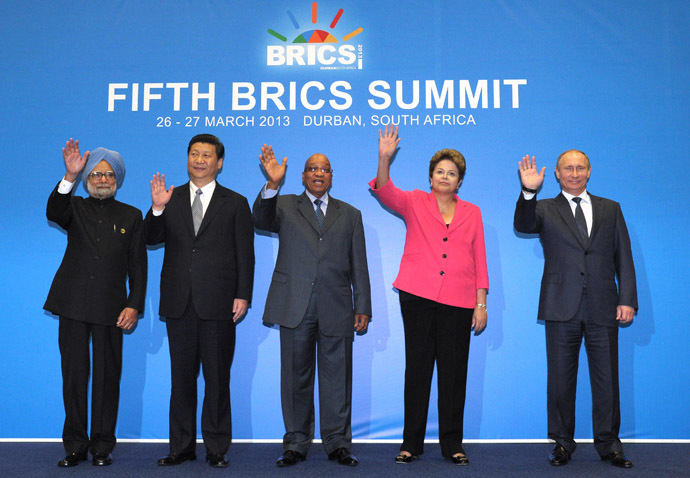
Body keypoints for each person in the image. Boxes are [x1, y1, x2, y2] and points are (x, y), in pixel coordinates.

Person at [369, 126, 488, 466]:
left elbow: (480, 258)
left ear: (459, 181)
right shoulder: (414, 201)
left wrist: (481, 303)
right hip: (418, 297)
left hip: (459, 300)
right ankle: (411, 444)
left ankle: (453, 444)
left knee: (454, 374)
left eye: (452, 173)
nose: (445, 176)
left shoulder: (472, 212)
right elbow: (384, 190)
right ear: (431, 176)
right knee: (418, 370)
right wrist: (384, 158)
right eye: (440, 171)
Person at [514, 152, 637, 468]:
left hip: (604, 305)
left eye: (580, 167)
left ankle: (609, 444)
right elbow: (524, 224)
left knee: (607, 379)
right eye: (567, 168)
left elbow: (624, 256)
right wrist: (529, 192)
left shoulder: (611, 209)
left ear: (590, 172)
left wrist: (627, 299)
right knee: (560, 380)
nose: (574, 173)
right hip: (560, 305)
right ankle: (562, 443)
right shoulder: (543, 208)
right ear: (556, 173)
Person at [252, 145, 371, 467]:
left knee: (337, 380)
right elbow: (259, 218)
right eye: (313, 168)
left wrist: (363, 306)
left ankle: (338, 444)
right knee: (295, 379)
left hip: (337, 306)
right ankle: (296, 443)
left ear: (332, 177)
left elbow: (359, 265)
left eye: (325, 169)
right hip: (294, 305)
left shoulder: (350, 214)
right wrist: (272, 184)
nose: (319, 173)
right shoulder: (285, 205)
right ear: (303, 176)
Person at [145, 134, 255, 468]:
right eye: (194, 153)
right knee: (181, 380)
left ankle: (217, 448)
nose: (200, 160)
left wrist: (243, 295)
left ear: (219, 162)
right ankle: (181, 446)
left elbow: (245, 255)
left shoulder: (235, 202)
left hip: (220, 302)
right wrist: (158, 208)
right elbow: (150, 239)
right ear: (187, 158)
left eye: (207, 155)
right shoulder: (171, 197)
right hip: (179, 303)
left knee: (218, 379)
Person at [45, 139, 147, 468]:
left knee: (107, 377)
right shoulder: (73, 207)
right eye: (96, 174)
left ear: (117, 180)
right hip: (72, 305)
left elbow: (138, 267)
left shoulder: (131, 216)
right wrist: (69, 176)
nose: (102, 179)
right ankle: (75, 445)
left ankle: (102, 445)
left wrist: (134, 305)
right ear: (87, 178)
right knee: (74, 376)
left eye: (109, 175)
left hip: (111, 309)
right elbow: (53, 211)